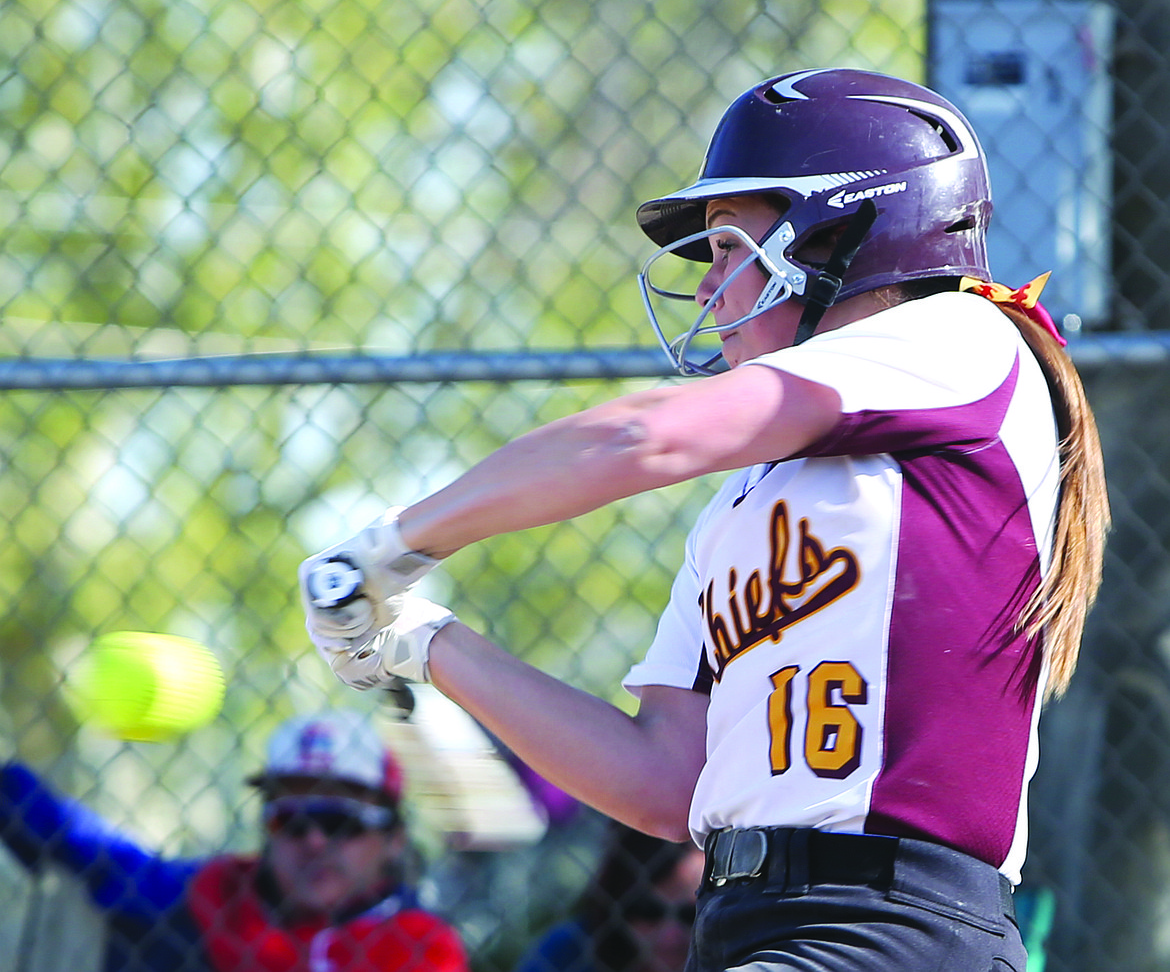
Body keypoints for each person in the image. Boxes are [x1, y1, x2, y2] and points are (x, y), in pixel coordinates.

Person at [297, 68, 1111, 972]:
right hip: (745, 929)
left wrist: (394, 541)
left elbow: (643, 435)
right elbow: (665, 781)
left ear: (840, 229)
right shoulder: (745, 502)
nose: (710, 282)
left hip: (896, 929)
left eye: (727, 243)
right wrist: (420, 637)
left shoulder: (955, 340)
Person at [0, 710, 469, 972]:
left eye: (340, 822)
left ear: (393, 838)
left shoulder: (419, 948)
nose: (313, 841)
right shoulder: (217, 894)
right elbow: (95, 850)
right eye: (290, 820)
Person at [513, 822, 706, 972]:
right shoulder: (569, 952)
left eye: (692, 915)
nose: (670, 936)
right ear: (616, 901)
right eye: (648, 912)